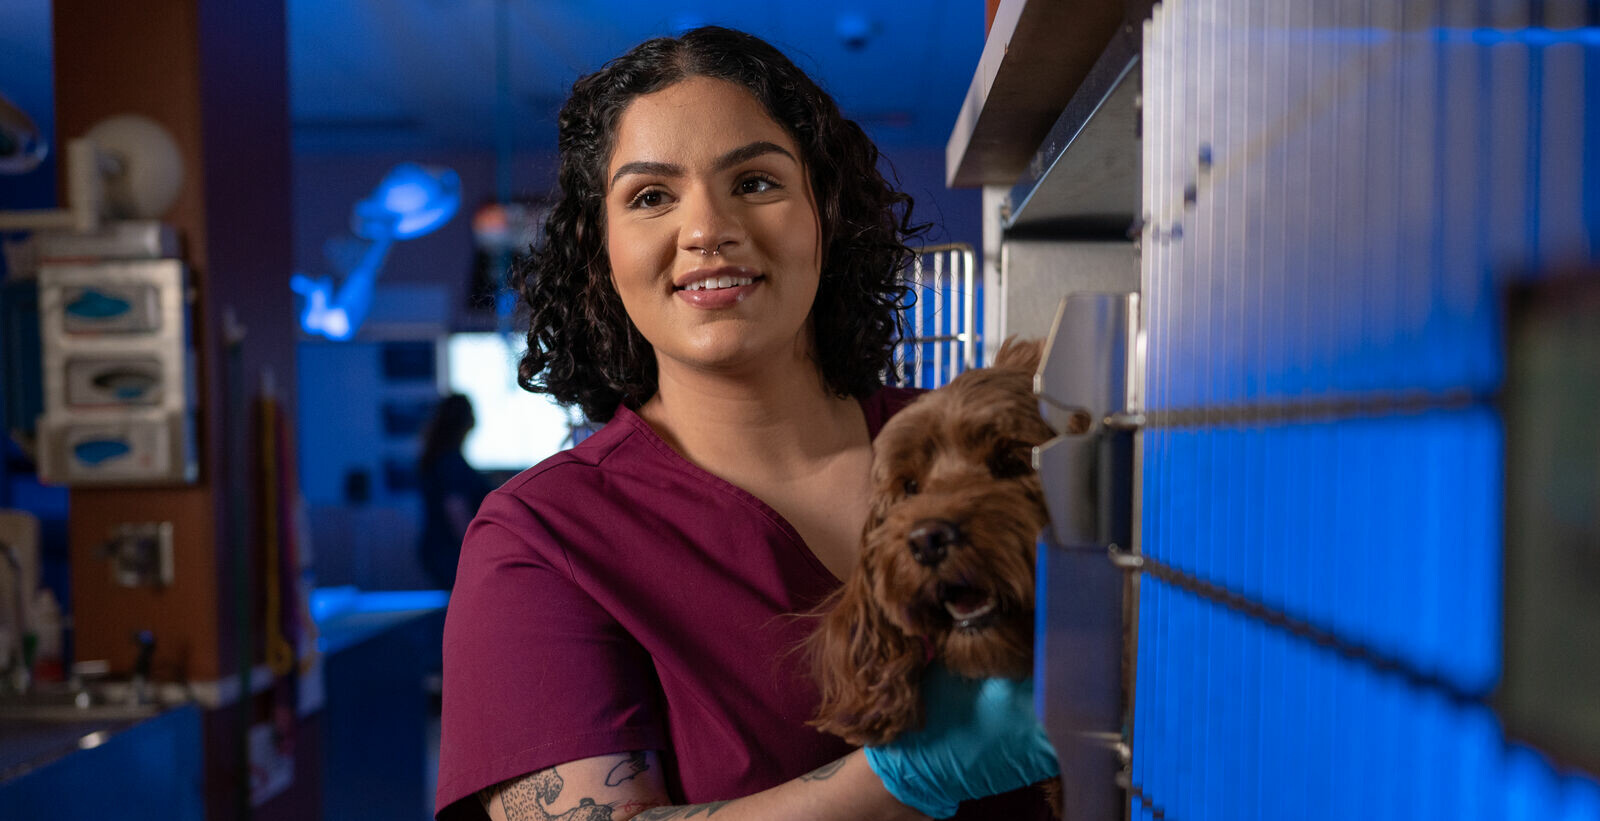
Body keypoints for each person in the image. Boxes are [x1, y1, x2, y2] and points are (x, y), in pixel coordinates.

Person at [436, 26, 1058, 821]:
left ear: (823, 216)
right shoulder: (540, 541)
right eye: (651, 196)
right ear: (603, 254)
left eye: (756, 182)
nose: (707, 229)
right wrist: (905, 776)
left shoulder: (984, 445)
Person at [416, 393, 492, 590]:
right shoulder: (451, 462)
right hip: (450, 553)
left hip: (438, 551)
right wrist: (481, 551)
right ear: (466, 422)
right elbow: (456, 511)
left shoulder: (438, 457)